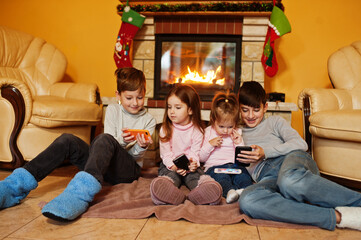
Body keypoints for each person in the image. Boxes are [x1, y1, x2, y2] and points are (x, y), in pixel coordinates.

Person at [0, 67, 156, 221]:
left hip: (128, 170)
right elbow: (110, 142)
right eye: (129, 98)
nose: (135, 103)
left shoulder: (149, 120)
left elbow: (131, 155)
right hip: (104, 165)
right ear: (118, 96)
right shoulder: (113, 111)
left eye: (140, 97)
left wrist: (140, 147)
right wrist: (123, 140)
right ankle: (13, 187)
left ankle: (78, 195)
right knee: (67, 140)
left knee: (104, 139)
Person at [237, 81, 361, 231]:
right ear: (239, 109)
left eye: (256, 110)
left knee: (289, 181)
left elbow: (301, 144)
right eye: (245, 110)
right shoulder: (236, 133)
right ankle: (338, 217)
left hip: (292, 160)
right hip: (267, 177)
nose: (250, 115)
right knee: (248, 201)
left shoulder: (275, 122)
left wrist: (265, 152)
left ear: (265, 107)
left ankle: (358, 202)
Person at [150, 84, 222, 205]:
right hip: (171, 165)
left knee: (195, 176)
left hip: (189, 164)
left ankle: (203, 192)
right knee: (171, 176)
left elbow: (195, 152)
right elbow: (166, 154)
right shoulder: (165, 129)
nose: (172, 112)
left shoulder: (197, 130)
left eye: (177, 107)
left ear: (190, 110)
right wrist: (174, 167)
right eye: (169, 107)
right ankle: (168, 193)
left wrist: (192, 164)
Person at [200, 91, 253, 204]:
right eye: (221, 126)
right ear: (214, 121)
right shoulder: (208, 132)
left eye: (230, 126)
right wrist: (210, 144)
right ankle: (230, 192)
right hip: (215, 167)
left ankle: (244, 191)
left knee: (244, 176)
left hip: (234, 165)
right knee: (222, 179)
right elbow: (201, 158)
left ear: (235, 123)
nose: (225, 130)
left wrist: (239, 142)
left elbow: (242, 157)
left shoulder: (236, 132)